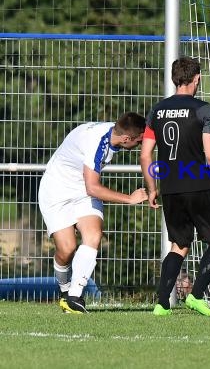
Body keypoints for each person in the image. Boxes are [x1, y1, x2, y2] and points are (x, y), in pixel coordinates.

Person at [140, 56, 210, 317]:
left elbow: (145, 155)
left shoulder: (157, 111)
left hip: (170, 187)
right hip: (198, 185)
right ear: (197, 79)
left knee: (179, 245)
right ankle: (196, 295)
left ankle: (161, 303)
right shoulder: (204, 109)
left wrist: (152, 188)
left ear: (173, 79)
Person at [38, 112, 149, 314]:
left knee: (93, 235)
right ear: (127, 139)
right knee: (67, 250)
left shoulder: (114, 131)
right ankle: (65, 290)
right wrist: (129, 198)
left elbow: (88, 187)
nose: (141, 145)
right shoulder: (97, 143)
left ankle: (74, 297)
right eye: (139, 141)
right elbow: (93, 188)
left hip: (82, 190)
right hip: (56, 189)